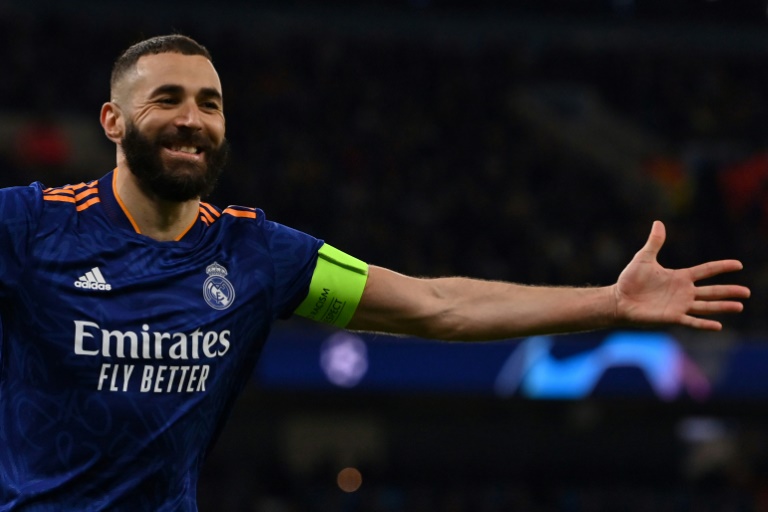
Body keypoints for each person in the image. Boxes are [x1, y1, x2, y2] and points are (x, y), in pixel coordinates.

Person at [0, 34, 750, 511]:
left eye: (210, 104)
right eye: (166, 99)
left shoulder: (257, 254)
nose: (192, 118)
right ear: (112, 121)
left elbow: (435, 306)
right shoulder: (30, 226)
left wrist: (608, 304)